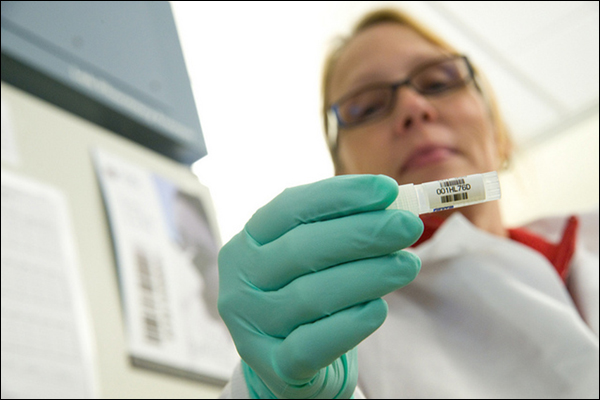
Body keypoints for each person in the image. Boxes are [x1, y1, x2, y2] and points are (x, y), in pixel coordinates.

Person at [217, 7, 599, 399]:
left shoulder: (588, 241)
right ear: (343, 173)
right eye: (367, 107)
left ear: (497, 131)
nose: (413, 108)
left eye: (437, 81)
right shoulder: (342, 338)